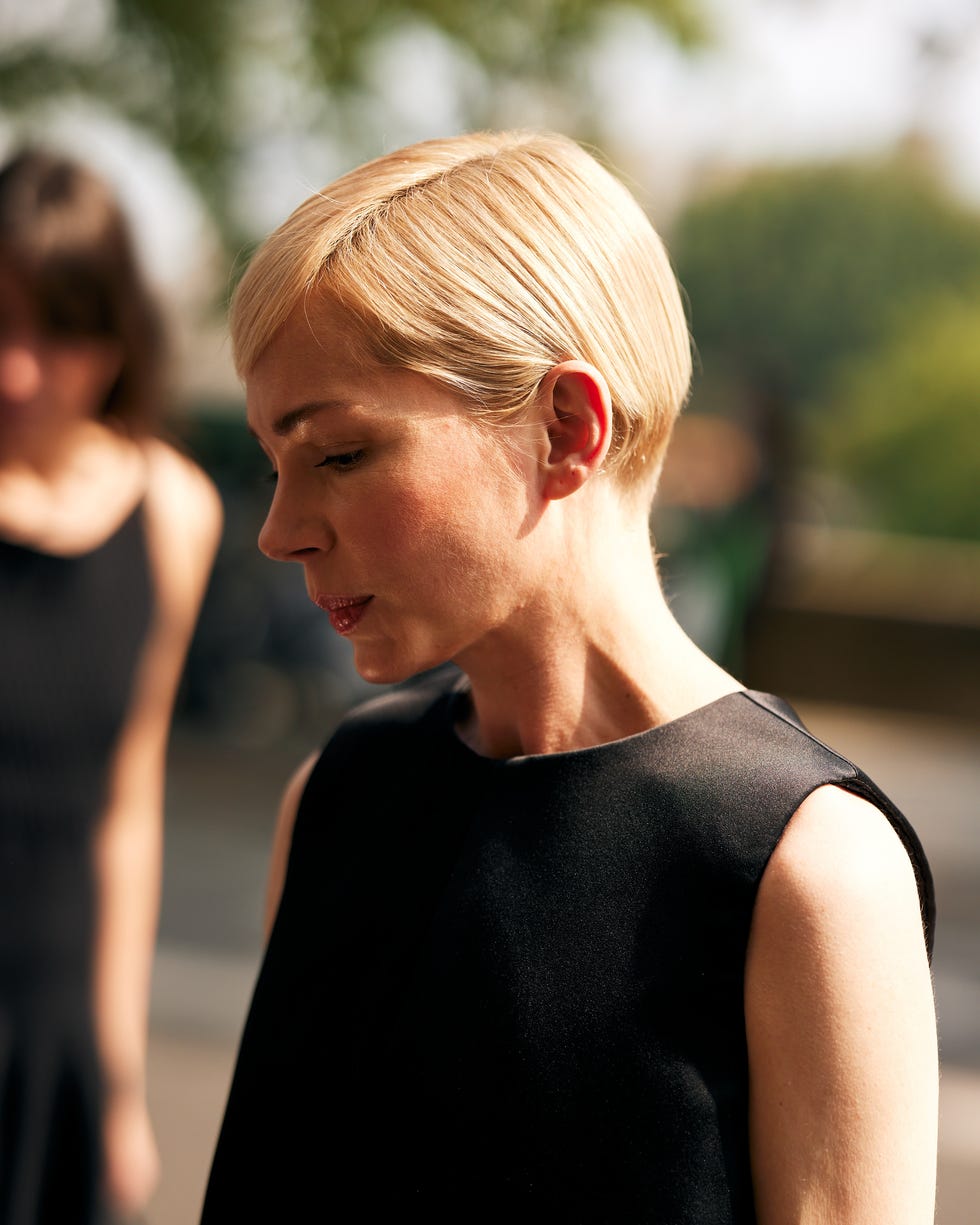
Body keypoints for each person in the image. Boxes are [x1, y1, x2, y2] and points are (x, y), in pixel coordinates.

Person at [201, 132, 937, 1223]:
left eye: (340, 454)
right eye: (274, 463)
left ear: (564, 428)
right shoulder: (339, 795)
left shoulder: (807, 872)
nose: (277, 532)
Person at [0, 149, 221, 1223]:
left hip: (53, 1034)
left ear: (119, 333)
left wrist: (121, 1080)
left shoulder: (174, 511)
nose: (19, 372)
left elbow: (127, 805)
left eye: (59, 332)